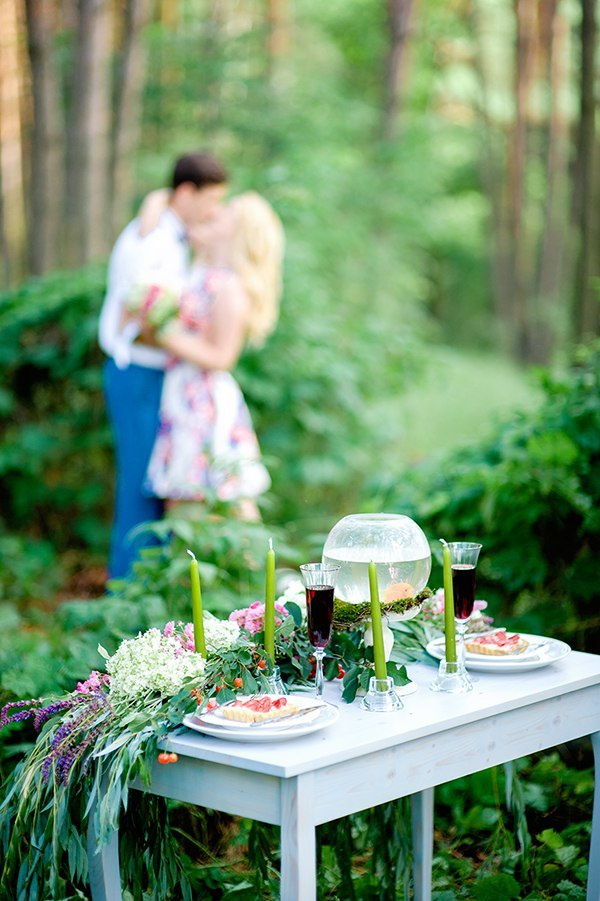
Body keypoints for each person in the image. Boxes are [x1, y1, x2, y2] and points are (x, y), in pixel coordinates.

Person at [99, 151, 228, 579]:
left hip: (165, 376)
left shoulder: (175, 234)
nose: (214, 211)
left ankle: (155, 599)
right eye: (210, 200)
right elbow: (137, 315)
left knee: (161, 488)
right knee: (140, 491)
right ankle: (126, 598)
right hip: (138, 372)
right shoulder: (148, 239)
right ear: (187, 192)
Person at [128, 191, 284, 519]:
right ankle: (189, 567)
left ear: (240, 229)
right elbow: (170, 222)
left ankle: (258, 566)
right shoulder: (204, 265)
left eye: (230, 211)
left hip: (204, 401)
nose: (220, 211)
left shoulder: (232, 288)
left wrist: (165, 334)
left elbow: (222, 356)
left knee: (226, 496)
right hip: (181, 394)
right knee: (181, 497)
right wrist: (155, 201)